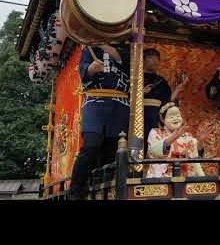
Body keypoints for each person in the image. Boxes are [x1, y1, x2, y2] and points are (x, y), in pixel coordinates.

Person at [69, 43, 130, 200]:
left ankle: (104, 189)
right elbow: (84, 71)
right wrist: (91, 69)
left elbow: (123, 59)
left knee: (112, 149)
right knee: (91, 145)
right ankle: (75, 189)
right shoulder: (89, 49)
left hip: (120, 102)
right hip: (95, 100)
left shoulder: (126, 47)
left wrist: (102, 43)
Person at [142, 48, 188, 154]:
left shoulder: (161, 81)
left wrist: (178, 89)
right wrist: (141, 93)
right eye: (151, 57)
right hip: (140, 114)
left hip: (157, 117)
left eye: (157, 59)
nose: (154, 61)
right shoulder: (136, 78)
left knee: (156, 144)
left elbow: (168, 103)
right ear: (143, 60)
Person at [146, 102, 206, 178]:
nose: (176, 119)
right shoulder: (155, 132)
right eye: (171, 117)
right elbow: (153, 152)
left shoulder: (186, 135)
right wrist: (175, 136)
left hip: (183, 176)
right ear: (162, 119)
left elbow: (194, 156)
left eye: (178, 116)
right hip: (162, 177)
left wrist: (200, 140)